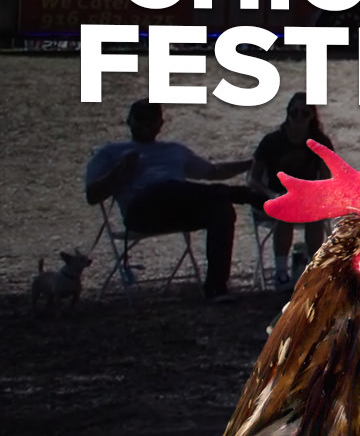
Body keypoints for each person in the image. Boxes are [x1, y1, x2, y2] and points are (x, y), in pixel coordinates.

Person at [84, 100, 258, 301]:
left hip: (178, 207)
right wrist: (119, 171)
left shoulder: (173, 149)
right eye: (140, 119)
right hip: (142, 211)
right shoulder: (110, 152)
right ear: (129, 121)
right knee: (166, 188)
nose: (146, 124)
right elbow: (92, 196)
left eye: (151, 120)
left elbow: (213, 172)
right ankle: (244, 195)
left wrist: (251, 164)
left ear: (161, 123)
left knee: (221, 208)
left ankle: (216, 287)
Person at [248, 92, 334, 290]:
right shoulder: (272, 141)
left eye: (304, 113)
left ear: (312, 117)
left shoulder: (319, 142)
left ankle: (315, 269)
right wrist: (271, 194)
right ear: (287, 114)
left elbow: (327, 177)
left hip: (306, 200)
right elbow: (253, 178)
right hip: (274, 198)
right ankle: (280, 272)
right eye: (294, 112)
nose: (298, 118)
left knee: (315, 214)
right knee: (285, 210)